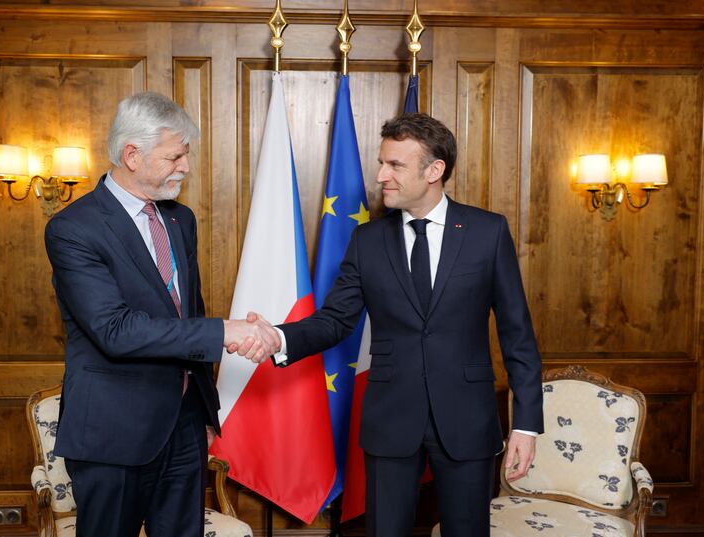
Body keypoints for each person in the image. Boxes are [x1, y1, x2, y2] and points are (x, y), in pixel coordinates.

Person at [259, 113, 543, 536]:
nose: (380, 176)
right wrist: (277, 337)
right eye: (381, 163)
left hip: (467, 419)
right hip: (391, 419)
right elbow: (335, 321)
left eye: (395, 165)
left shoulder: (488, 232)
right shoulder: (367, 241)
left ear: (434, 170)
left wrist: (525, 424)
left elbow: (517, 334)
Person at [44, 91, 277, 537]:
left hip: (184, 426)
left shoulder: (178, 219)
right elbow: (114, 330)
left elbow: (189, 309)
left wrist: (204, 415)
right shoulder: (74, 229)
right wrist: (224, 332)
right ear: (132, 155)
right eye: (175, 156)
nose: (185, 167)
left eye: (185, 155)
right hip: (113, 432)